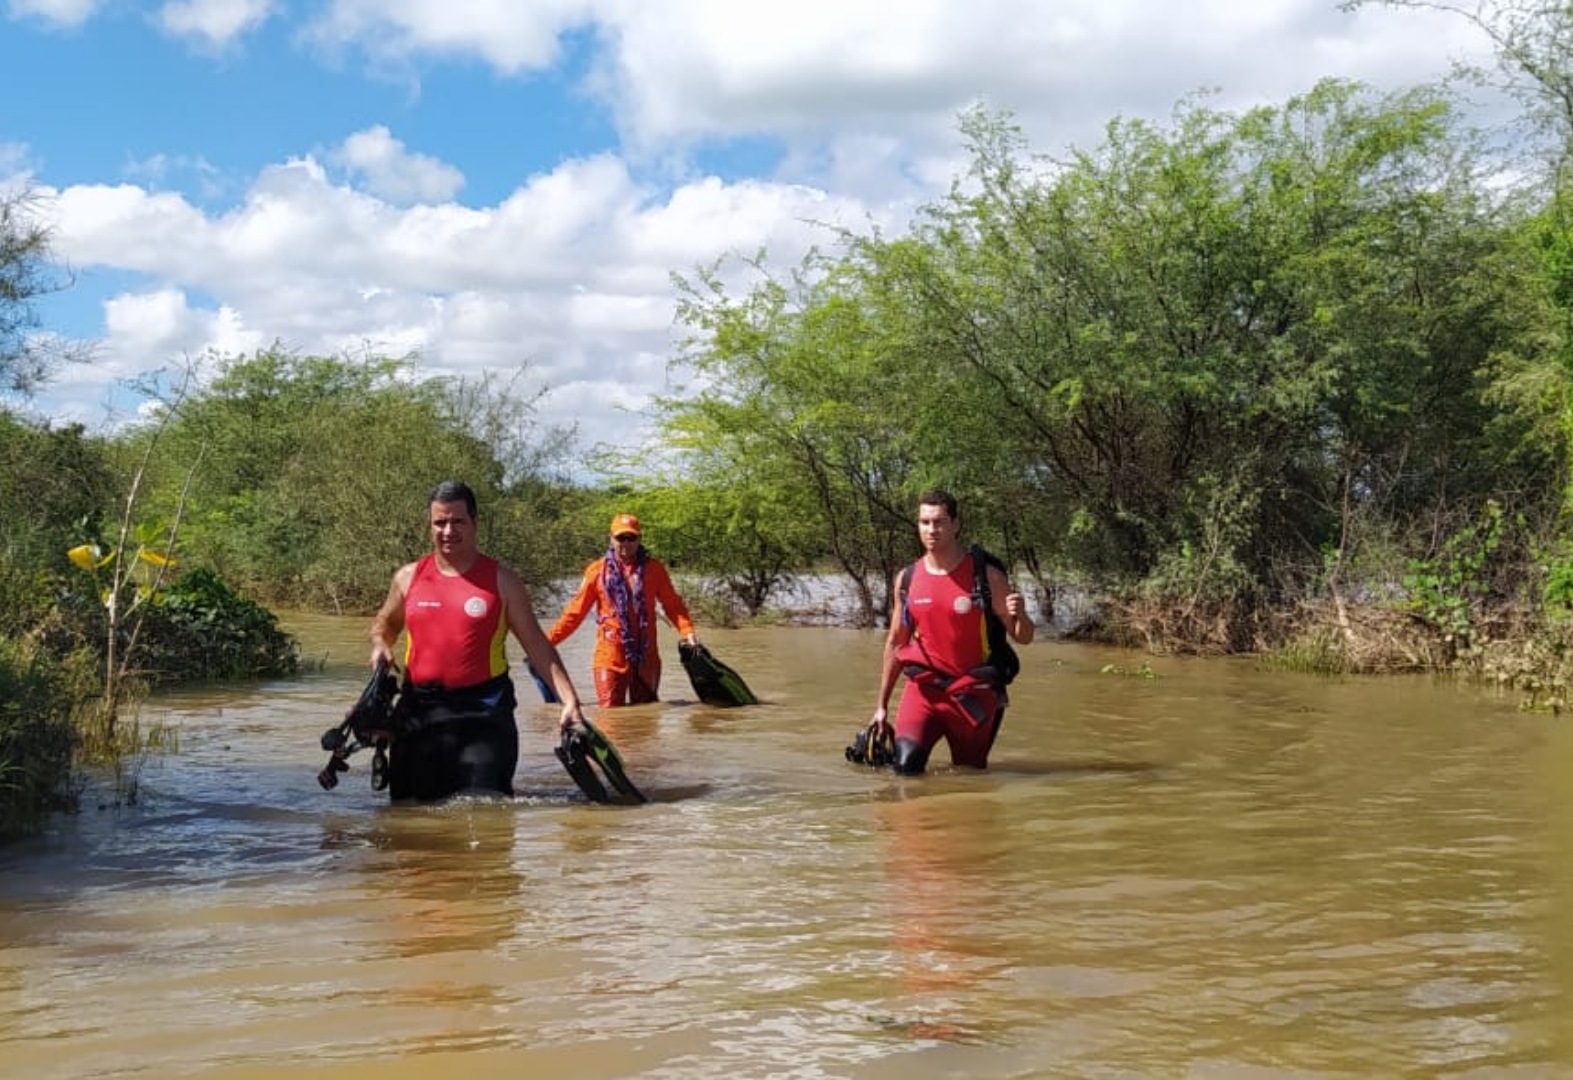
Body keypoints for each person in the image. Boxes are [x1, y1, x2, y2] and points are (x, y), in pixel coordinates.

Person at [369, 480, 590, 801]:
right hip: (418, 714)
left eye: (458, 521)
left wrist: (570, 701)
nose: (448, 531)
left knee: (484, 814)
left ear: (475, 523)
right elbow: (385, 623)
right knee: (409, 821)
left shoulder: (503, 581)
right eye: (440, 522)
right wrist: (380, 643)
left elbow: (537, 645)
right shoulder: (408, 577)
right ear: (429, 526)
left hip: (484, 716)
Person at [868, 489, 1034, 774]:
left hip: (973, 698)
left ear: (956, 524)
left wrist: (1022, 613)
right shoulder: (908, 578)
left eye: (940, 521)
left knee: (970, 780)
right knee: (904, 769)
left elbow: (1023, 636)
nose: (932, 529)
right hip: (923, 693)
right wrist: (881, 706)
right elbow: (897, 642)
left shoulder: (986, 576)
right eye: (924, 522)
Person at [548, 513, 699, 707]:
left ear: (639, 539)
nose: (625, 543)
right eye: (620, 538)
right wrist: (546, 642)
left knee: (646, 717)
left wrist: (688, 632)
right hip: (610, 656)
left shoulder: (654, 569)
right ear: (611, 538)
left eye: (631, 538)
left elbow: (673, 605)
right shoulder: (596, 571)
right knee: (611, 717)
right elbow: (574, 614)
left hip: (647, 656)